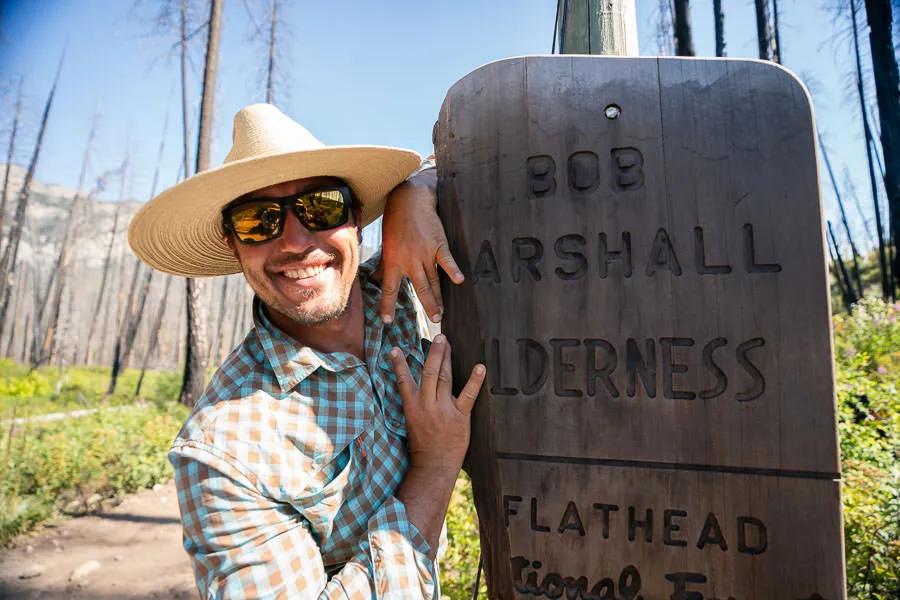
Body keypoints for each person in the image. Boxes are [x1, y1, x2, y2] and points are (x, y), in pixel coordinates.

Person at [127, 103, 485, 598]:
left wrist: (413, 192)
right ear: (234, 245)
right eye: (258, 221)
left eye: (322, 207)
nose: (296, 241)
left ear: (356, 218)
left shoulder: (399, 290)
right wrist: (435, 466)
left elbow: (475, 162)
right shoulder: (225, 450)